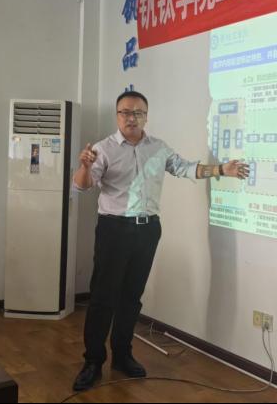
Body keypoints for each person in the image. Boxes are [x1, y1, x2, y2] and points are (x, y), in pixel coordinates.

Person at [72, 91, 249, 391]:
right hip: (114, 229)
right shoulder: (102, 149)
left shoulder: (158, 148)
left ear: (146, 116)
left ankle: (122, 355)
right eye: (125, 112)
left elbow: (185, 167)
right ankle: (93, 361)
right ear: (117, 115)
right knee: (103, 298)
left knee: (131, 297)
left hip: (148, 230)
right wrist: (85, 166)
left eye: (138, 113)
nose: (131, 118)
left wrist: (222, 169)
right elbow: (81, 186)